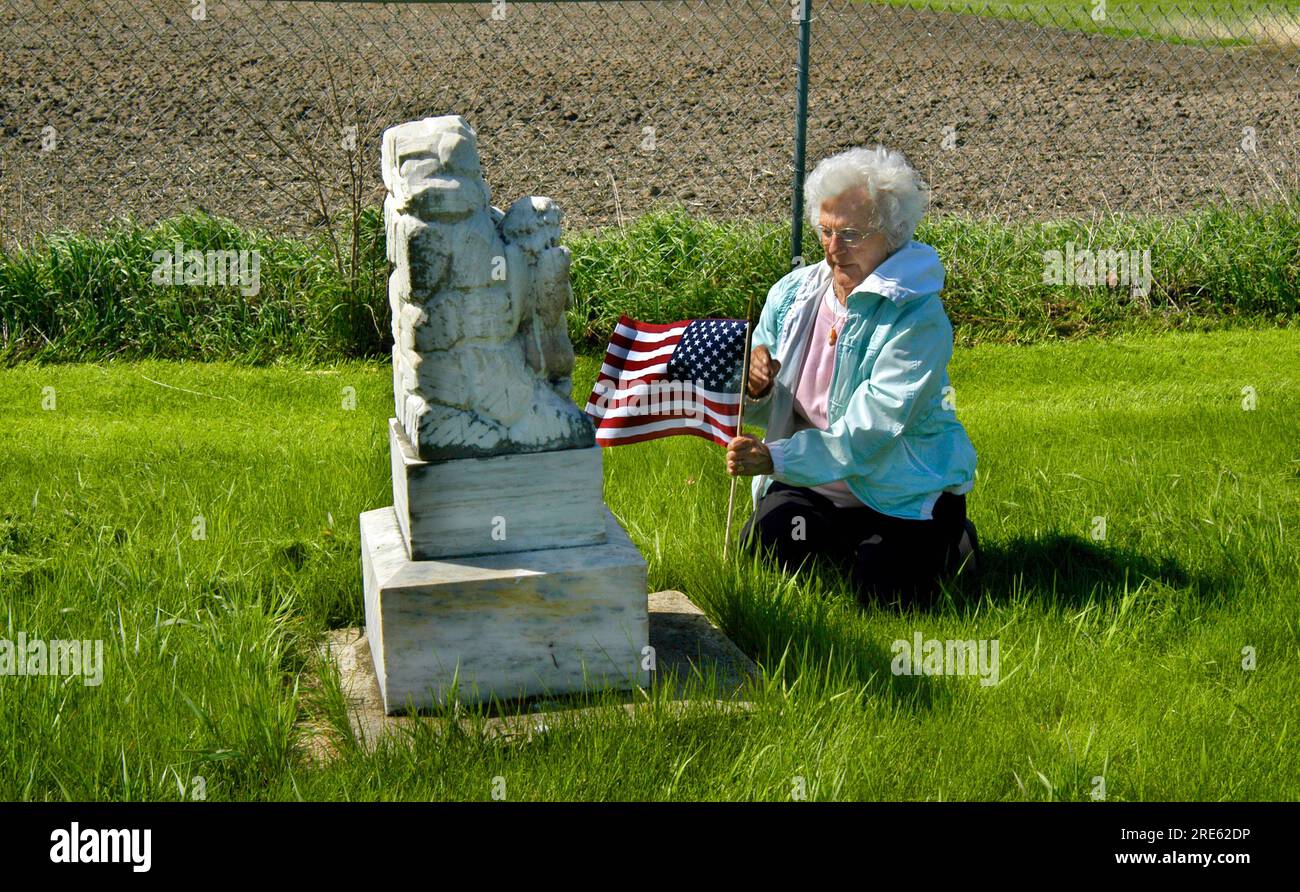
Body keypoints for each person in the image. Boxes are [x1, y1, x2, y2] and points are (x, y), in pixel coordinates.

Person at [725, 145, 979, 607]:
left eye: (851, 234)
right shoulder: (793, 294)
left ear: (893, 235)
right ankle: (843, 540)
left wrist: (775, 460)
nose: (832, 249)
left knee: (886, 593)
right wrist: (755, 384)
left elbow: (871, 430)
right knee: (764, 548)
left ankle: (953, 534)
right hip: (813, 485)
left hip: (900, 490)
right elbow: (762, 403)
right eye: (825, 231)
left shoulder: (918, 317)